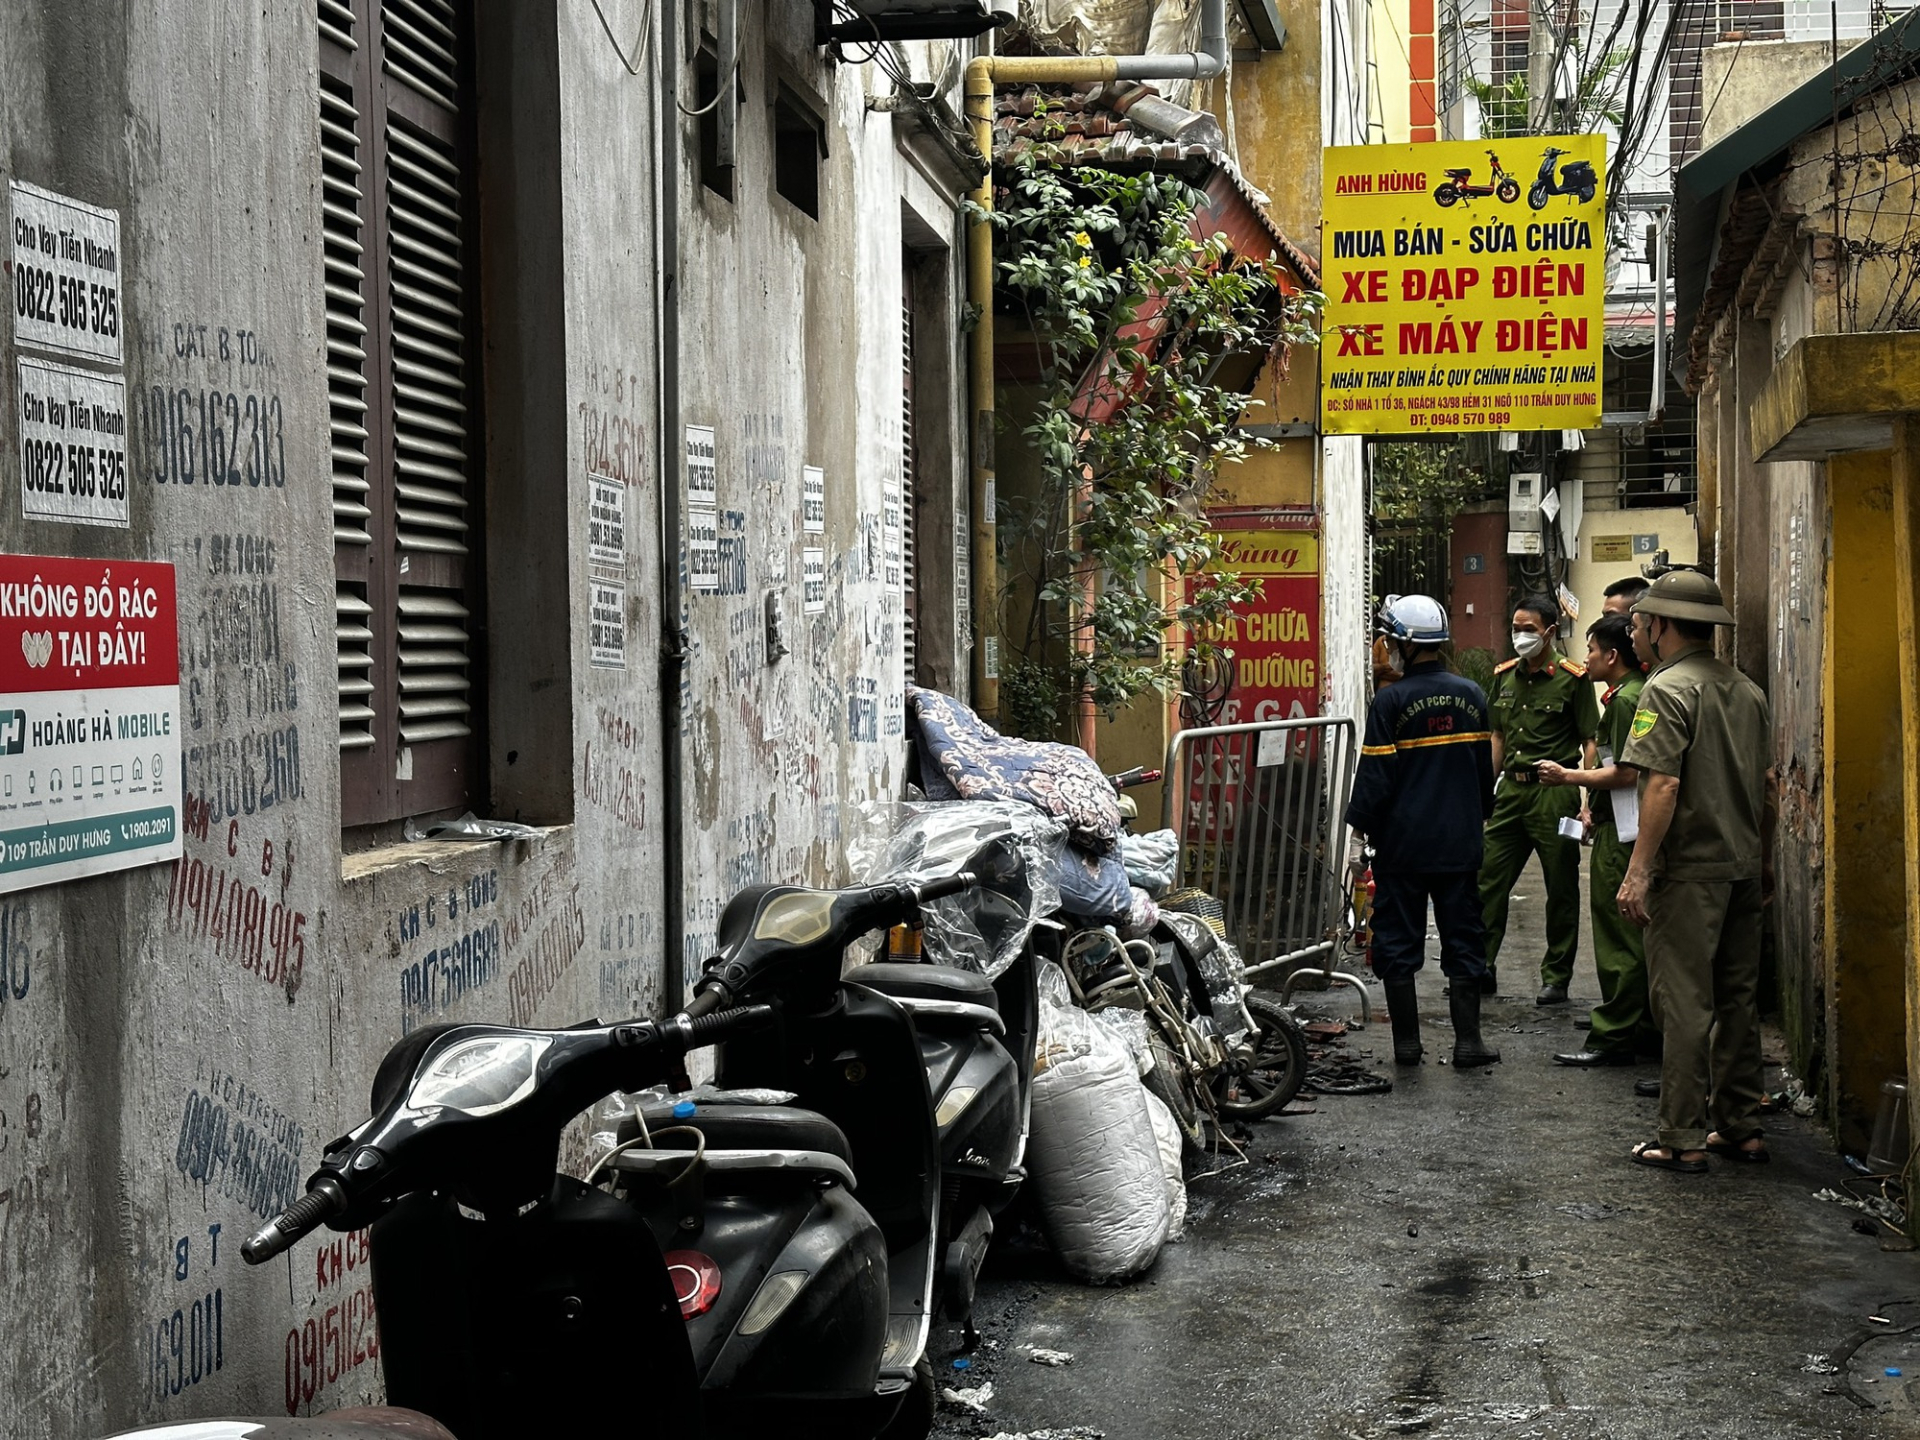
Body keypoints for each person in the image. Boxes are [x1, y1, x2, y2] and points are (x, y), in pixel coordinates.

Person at [1616, 570, 1772, 1172]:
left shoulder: (1666, 690)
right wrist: (1760, 863)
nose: (1637, 633)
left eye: (1640, 623)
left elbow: (1663, 784)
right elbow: (1765, 786)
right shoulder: (1747, 691)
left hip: (1690, 872)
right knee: (1737, 999)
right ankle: (1741, 1126)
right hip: (1738, 867)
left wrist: (1639, 871)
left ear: (1659, 624)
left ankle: (1679, 1136)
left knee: (1682, 1002)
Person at [1344, 596, 1501, 1069]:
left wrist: (1361, 831)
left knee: (1396, 939)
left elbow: (1376, 778)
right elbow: (1482, 774)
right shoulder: (1472, 695)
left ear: (1404, 645)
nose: (1387, 648)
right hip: (1459, 844)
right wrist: (1476, 818)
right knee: (1464, 937)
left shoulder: (1390, 701)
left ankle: (1407, 1046)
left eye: (1390, 641)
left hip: (1404, 847)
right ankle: (1468, 1043)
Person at [1536, 613, 1657, 1066]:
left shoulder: (1626, 702)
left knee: (1617, 934)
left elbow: (1627, 771)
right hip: (1614, 820)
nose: (1585, 657)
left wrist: (1569, 775)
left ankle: (1615, 1034)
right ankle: (1636, 1025)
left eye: (1590, 649)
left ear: (1611, 655)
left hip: (1623, 831)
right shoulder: (1624, 696)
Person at [1478, 596, 1600, 1004]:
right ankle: (1481, 966)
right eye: (1516, 628)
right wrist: (1484, 796)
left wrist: (1587, 801)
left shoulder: (1573, 678)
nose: (1520, 636)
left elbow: (1589, 742)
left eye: (1529, 629)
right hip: (1511, 793)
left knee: (1562, 887)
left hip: (1555, 794)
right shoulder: (1505, 676)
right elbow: (1498, 738)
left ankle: (1556, 976)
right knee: (1488, 880)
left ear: (1549, 632)